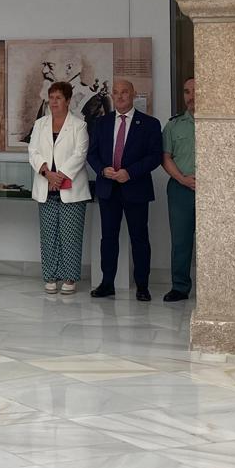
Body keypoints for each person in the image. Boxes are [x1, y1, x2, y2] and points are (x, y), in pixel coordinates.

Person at [86, 78, 162, 301]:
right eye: (116, 93)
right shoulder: (102, 123)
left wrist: (130, 172)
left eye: (124, 92)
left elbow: (154, 156)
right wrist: (102, 170)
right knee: (108, 238)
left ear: (133, 94)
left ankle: (142, 286)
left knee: (139, 238)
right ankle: (107, 283)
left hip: (135, 187)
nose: (119, 97)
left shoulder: (149, 124)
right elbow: (92, 154)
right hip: (108, 188)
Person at [27, 80, 90, 295]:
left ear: (68, 101)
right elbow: (33, 152)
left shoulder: (79, 125)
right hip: (46, 186)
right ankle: (50, 276)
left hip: (71, 189)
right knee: (49, 234)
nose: (53, 102)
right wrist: (47, 173)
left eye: (58, 98)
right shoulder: (40, 124)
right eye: (51, 98)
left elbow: (79, 155)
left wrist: (60, 176)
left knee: (70, 235)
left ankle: (70, 278)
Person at [160, 77, 197, 303]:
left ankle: (216, 288)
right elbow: (166, 157)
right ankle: (180, 287)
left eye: (195, 91)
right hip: (181, 189)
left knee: (215, 241)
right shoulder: (174, 125)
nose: (190, 96)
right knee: (181, 240)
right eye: (186, 92)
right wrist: (182, 179)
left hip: (214, 192)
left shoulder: (217, 123)